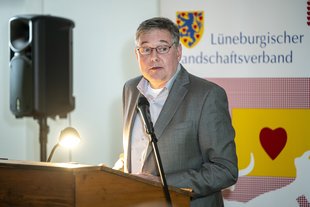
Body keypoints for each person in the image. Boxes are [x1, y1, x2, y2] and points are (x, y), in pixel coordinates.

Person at [115, 17, 238, 207]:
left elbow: (225, 170)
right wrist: (115, 172)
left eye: (163, 48)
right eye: (146, 49)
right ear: (137, 54)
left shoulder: (207, 95)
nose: (153, 57)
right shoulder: (130, 89)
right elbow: (139, 151)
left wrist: (162, 184)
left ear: (178, 51)